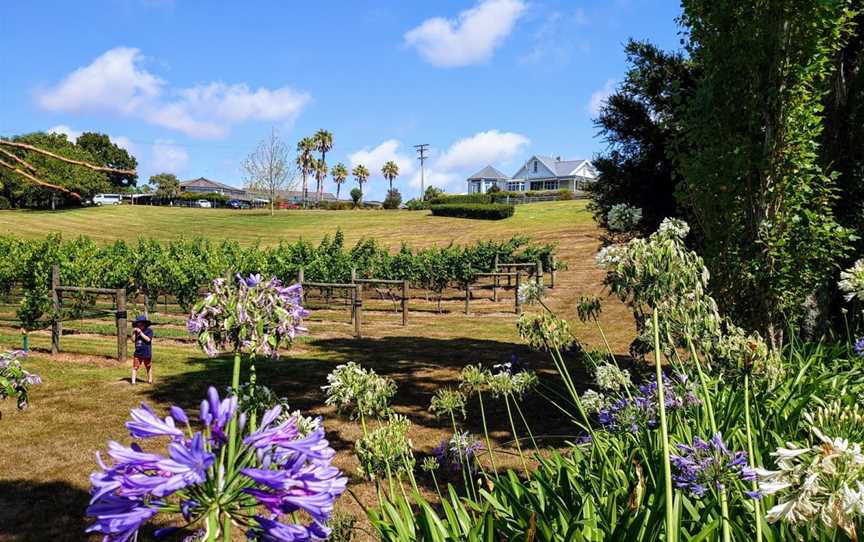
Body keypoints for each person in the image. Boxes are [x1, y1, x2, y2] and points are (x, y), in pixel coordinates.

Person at [131, 315, 154, 384]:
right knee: (135, 367)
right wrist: (133, 333)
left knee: (148, 366)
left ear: (145, 324)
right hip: (138, 353)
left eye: (141, 324)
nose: (139, 326)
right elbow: (133, 340)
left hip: (146, 352)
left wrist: (141, 333)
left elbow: (148, 339)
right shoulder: (136, 331)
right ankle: (133, 381)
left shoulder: (149, 331)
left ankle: (150, 380)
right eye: (138, 324)